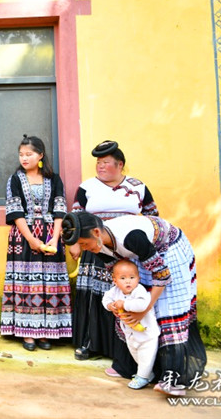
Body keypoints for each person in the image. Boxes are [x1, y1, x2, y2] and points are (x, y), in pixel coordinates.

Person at [62, 211, 207, 397]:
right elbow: (120, 284)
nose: (83, 249)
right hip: (142, 254)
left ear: (96, 233)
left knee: (168, 310)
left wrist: (144, 309)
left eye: (83, 244)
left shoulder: (130, 237)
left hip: (169, 251)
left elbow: (162, 275)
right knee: (130, 304)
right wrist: (116, 306)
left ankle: (173, 380)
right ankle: (132, 367)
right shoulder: (99, 246)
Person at [69, 140, 159, 368]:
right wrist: (76, 243)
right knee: (95, 296)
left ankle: (123, 348)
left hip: (129, 249)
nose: (100, 166)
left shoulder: (137, 186)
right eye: (98, 163)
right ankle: (90, 343)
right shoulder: (87, 187)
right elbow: (76, 217)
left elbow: (153, 216)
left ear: (120, 165)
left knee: (126, 294)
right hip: (96, 247)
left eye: (106, 162)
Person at [0, 135, 71, 351]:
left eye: (29, 154)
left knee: (50, 282)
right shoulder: (15, 179)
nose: (24, 158)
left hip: (51, 233)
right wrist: (31, 239)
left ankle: (47, 331)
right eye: (21, 154)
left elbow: (60, 209)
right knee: (26, 282)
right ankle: (27, 332)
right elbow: (15, 211)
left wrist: (55, 238)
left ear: (40, 155)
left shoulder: (54, 179)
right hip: (23, 236)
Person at [102, 260, 160, 390]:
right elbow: (105, 298)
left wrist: (124, 304)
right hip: (130, 333)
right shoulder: (115, 291)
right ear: (115, 280)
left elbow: (142, 305)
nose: (128, 281)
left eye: (132, 278)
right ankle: (148, 374)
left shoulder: (139, 291)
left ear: (138, 278)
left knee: (146, 356)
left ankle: (142, 377)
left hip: (147, 334)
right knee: (136, 354)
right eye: (123, 278)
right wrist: (110, 305)